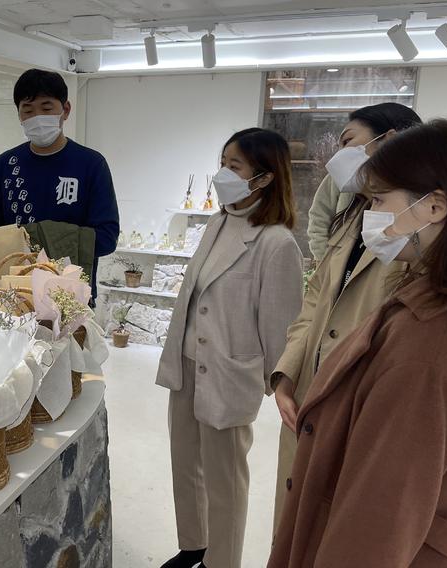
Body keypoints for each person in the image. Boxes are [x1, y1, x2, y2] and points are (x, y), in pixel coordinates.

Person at [269, 119, 447, 567]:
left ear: (434, 207)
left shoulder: (429, 341)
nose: (369, 214)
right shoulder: (446, 302)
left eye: (378, 200)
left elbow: (380, 516)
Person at [156, 128, 303, 568]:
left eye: (234, 165)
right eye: (223, 161)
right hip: (186, 366)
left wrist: (276, 384)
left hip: (227, 374)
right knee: (185, 466)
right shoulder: (217, 222)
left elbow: (282, 324)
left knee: (225, 482)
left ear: (264, 176)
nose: (223, 173)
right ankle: (193, 547)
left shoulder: (277, 243)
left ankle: (222, 562)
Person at [271, 103, 422, 530]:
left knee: (341, 524)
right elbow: (317, 297)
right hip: (307, 394)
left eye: (349, 141)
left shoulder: (419, 231)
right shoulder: (355, 213)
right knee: (294, 520)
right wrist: (287, 373)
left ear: (389, 141)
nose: (340, 156)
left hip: (362, 401)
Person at [0, 68, 119, 300]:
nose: (37, 118)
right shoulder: (5, 165)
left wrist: (38, 237)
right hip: (13, 296)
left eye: (46, 108)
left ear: (65, 110)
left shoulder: (91, 164)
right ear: (19, 114)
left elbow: (106, 238)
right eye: (28, 110)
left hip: (70, 299)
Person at [306, 103, 422, 260]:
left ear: (389, 140)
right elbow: (318, 220)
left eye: (347, 141)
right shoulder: (350, 188)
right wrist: (323, 262)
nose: (339, 153)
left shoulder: (421, 208)